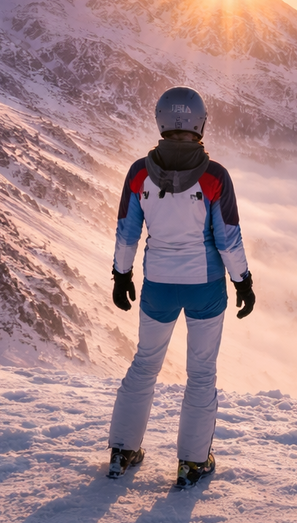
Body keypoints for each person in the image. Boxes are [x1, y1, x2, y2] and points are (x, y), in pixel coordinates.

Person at [106, 86, 255, 488]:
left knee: (144, 365)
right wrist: (243, 281)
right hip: (204, 286)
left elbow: (127, 233)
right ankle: (191, 462)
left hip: (157, 283)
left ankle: (122, 451)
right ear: (200, 123)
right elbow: (228, 238)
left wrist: (122, 275)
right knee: (201, 374)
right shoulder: (214, 176)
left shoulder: (140, 172)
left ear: (161, 122)